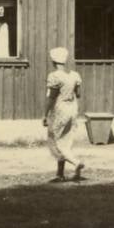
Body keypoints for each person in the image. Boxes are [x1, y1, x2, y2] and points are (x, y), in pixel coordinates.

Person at [44, 46, 85, 181]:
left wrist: (45, 114)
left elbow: (51, 98)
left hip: (60, 109)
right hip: (72, 108)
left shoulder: (54, 76)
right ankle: (60, 174)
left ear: (53, 62)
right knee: (66, 140)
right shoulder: (74, 75)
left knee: (55, 141)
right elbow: (78, 94)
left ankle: (76, 162)